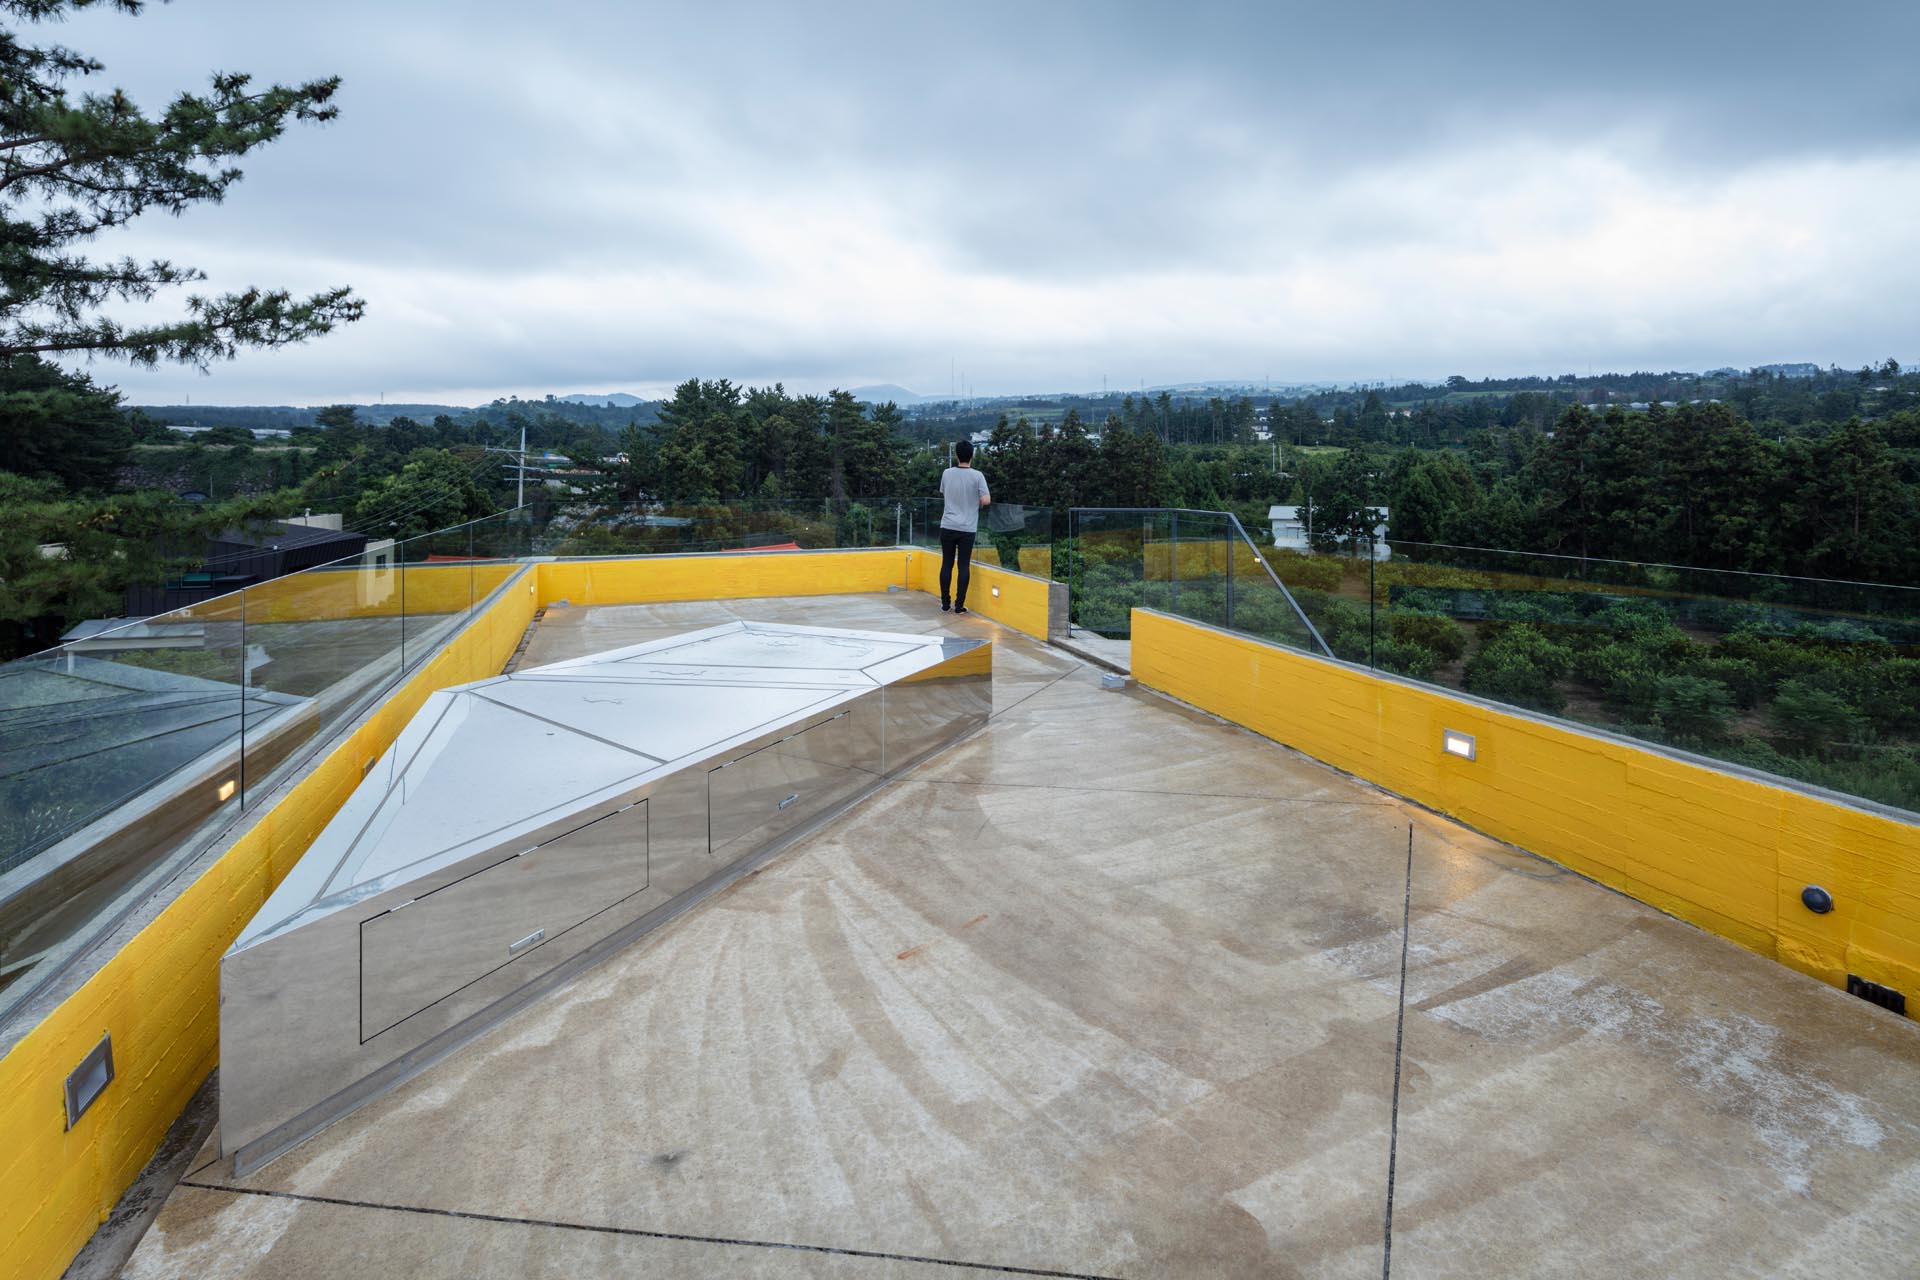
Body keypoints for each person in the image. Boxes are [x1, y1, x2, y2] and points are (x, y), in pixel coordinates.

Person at [937, 439, 990, 613]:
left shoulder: (946, 473)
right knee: (963, 566)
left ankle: (945, 603)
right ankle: (959, 606)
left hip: (948, 525)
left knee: (947, 564)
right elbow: (986, 500)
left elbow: (945, 492)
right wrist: (977, 503)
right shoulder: (977, 476)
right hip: (967, 528)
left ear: (956, 455)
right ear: (972, 456)